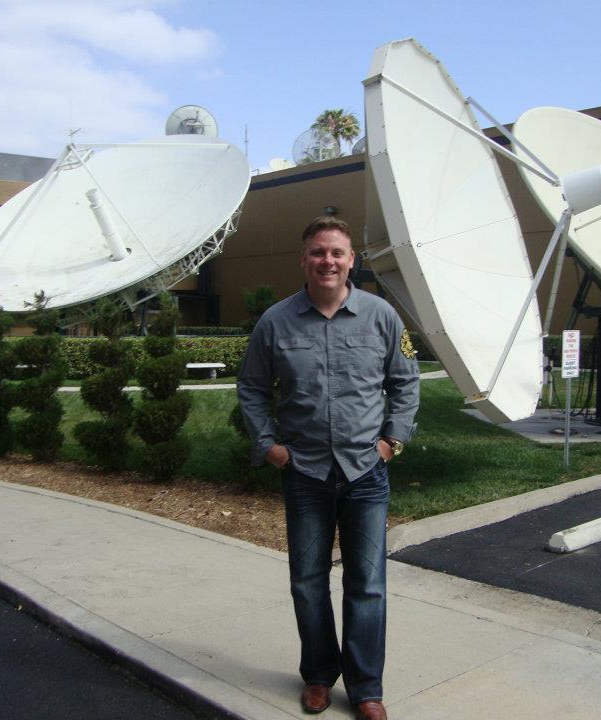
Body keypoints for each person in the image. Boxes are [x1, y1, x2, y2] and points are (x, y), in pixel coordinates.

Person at [237, 216, 420, 720]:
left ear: (351, 260)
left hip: (366, 473)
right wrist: (268, 445)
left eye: (337, 252)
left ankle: (366, 689)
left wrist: (392, 442)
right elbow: (251, 387)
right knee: (308, 581)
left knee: (368, 584)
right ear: (304, 260)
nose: (328, 261)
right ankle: (318, 676)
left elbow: (406, 382)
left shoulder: (382, 316)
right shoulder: (276, 321)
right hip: (305, 473)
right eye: (318, 252)